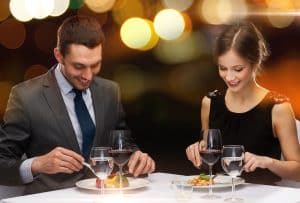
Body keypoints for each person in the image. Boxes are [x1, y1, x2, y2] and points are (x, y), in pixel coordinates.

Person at [0, 15, 155, 194]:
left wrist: (136, 157)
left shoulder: (110, 90)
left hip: (104, 196)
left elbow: (120, 143)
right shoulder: (26, 96)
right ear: (59, 55)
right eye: (79, 66)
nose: (88, 76)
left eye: (95, 65)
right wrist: (37, 164)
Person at [186, 22, 300, 184]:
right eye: (223, 68)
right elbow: (209, 166)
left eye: (238, 69)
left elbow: (298, 172)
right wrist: (197, 151)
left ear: (255, 62)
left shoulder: (277, 108)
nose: (229, 77)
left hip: (263, 196)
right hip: (220, 196)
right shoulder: (210, 103)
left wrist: (268, 162)